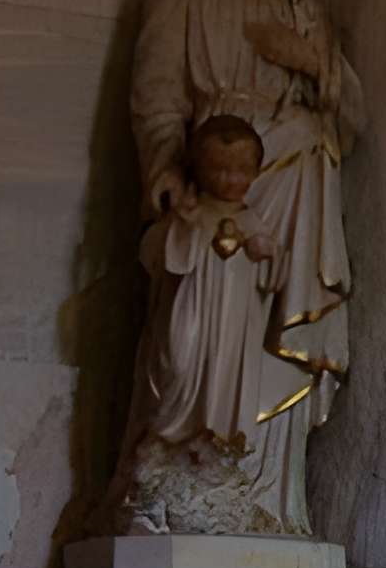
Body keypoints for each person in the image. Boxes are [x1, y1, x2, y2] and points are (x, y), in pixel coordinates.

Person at [123, 0, 364, 537]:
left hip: (295, 191)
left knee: (270, 339)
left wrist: (316, 63)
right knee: (194, 337)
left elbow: (354, 112)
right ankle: (181, 480)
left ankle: (268, 499)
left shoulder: (297, 1)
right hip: (217, 185)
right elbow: (157, 93)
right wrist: (164, 168)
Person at [99, 114, 293, 535]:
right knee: (177, 368)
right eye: (219, 169)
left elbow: (275, 279)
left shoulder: (252, 221)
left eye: (240, 170)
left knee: (225, 384)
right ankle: (164, 449)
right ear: (198, 168)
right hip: (191, 317)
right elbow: (154, 258)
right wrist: (184, 227)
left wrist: (266, 254)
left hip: (232, 334)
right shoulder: (190, 214)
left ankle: (210, 452)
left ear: (256, 172)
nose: (229, 179)